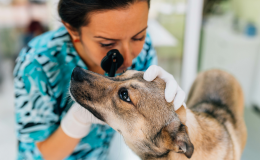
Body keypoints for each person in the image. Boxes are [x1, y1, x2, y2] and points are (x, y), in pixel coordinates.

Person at [13, 0, 186, 159]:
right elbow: (44, 153)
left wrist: (173, 112)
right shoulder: (37, 64)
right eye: (107, 43)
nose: (128, 59)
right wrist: (76, 120)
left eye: (138, 36)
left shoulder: (144, 48)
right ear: (73, 30)